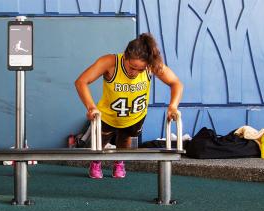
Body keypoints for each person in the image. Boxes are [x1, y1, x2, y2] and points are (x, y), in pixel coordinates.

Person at [74, 33, 183, 179]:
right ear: (125, 56)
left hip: (134, 115)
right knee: (102, 138)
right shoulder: (110, 62)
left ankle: (119, 162)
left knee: (125, 139)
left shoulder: (151, 65)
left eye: (140, 70)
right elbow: (81, 82)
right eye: (132, 67)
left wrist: (173, 106)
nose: (135, 73)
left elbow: (176, 83)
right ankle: (96, 162)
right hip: (108, 114)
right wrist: (91, 107)